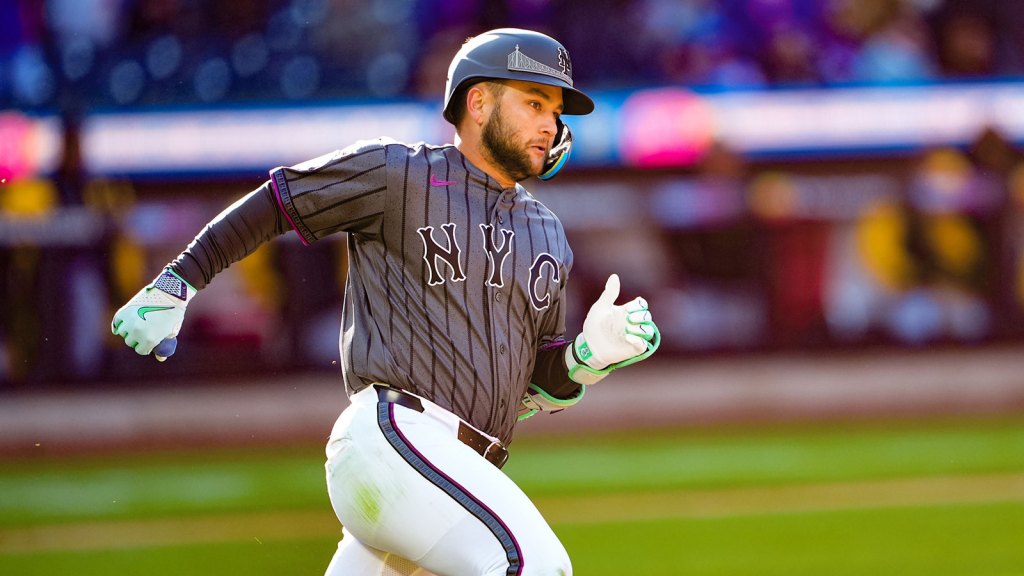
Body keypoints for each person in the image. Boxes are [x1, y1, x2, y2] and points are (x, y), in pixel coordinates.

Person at [111, 28, 659, 576]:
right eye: (534, 102)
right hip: (396, 438)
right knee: (536, 566)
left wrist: (586, 357)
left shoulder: (549, 234)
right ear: (478, 102)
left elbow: (528, 386)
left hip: (454, 470)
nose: (550, 123)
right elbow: (278, 201)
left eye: (556, 109)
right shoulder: (399, 172)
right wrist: (177, 281)